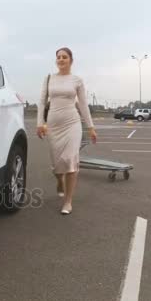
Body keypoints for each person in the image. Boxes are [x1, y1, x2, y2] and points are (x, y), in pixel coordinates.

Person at [36, 47, 97, 215]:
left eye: (64, 57)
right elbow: (41, 102)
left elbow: (83, 105)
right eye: (58, 57)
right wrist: (40, 123)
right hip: (54, 125)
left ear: (71, 60)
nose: (61, 59)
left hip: (72, 123)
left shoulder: (77, 80)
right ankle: (59, 179)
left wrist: (91, 127)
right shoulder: (49, 79)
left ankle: (68, 201)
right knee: (57, 165)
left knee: (70, 160)